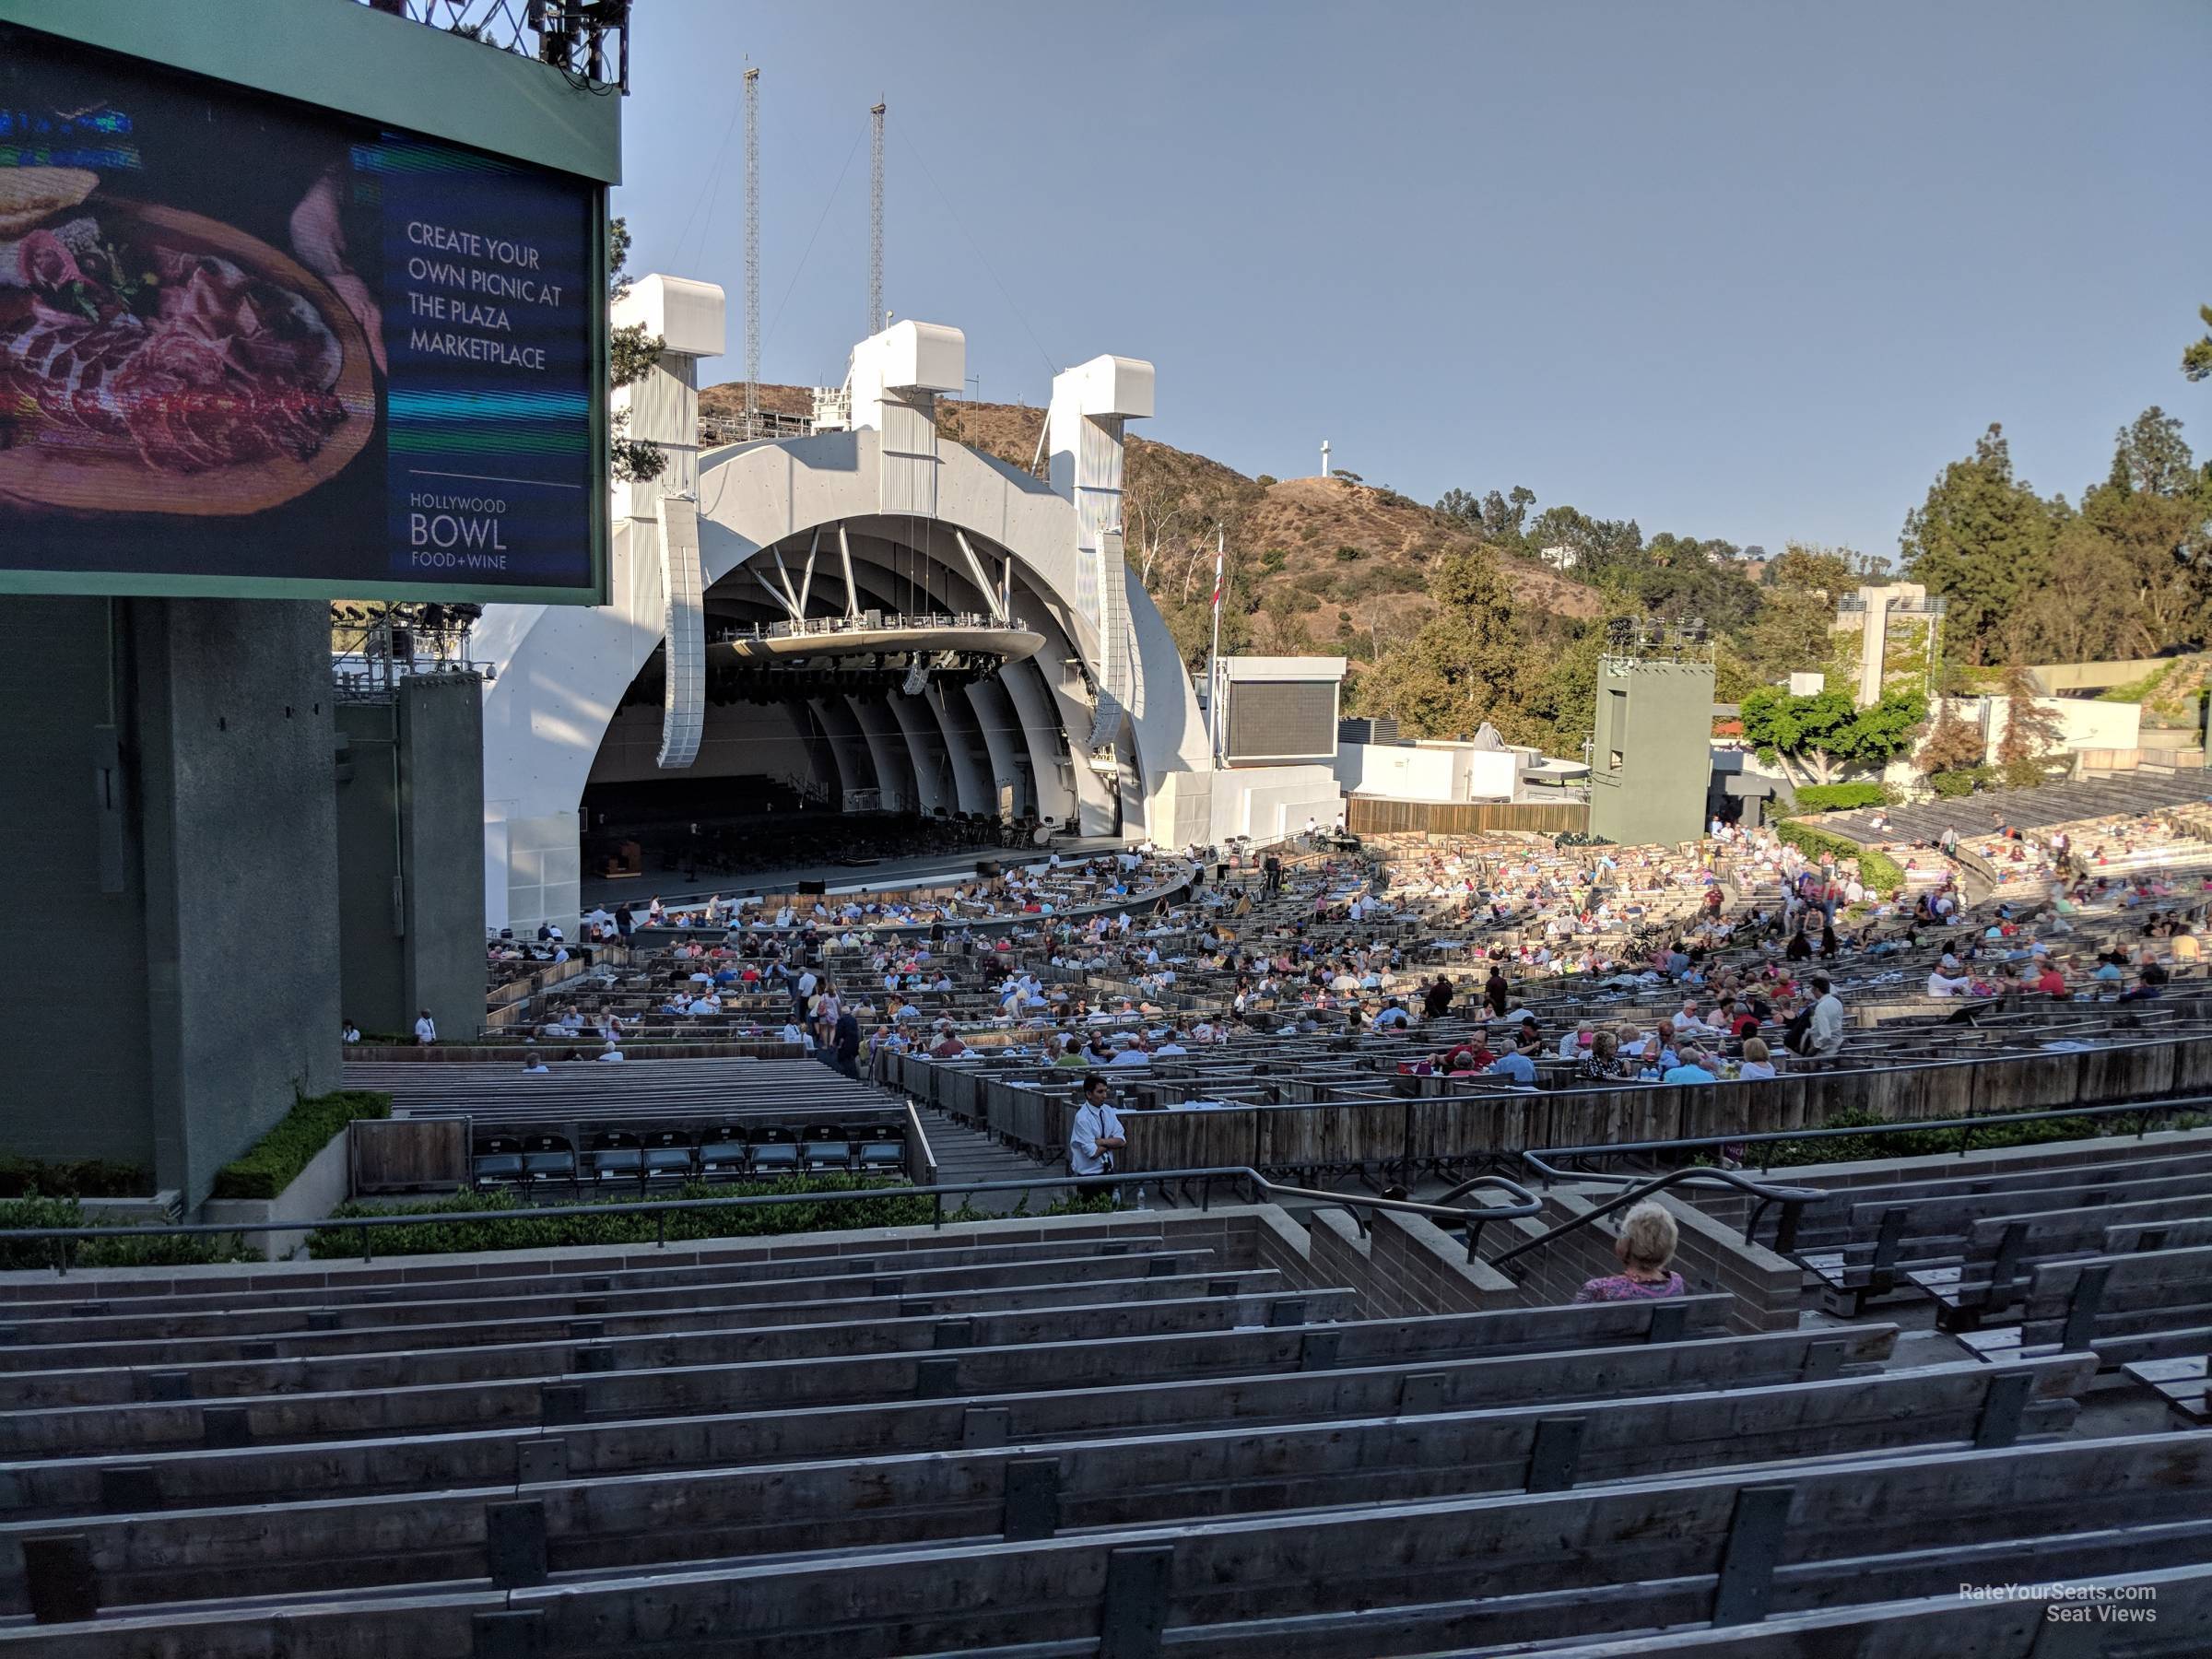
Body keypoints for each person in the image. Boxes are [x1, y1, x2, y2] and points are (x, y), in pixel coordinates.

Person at [1572, 1201, 1686, 1302]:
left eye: (1621, 1231)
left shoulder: (1598, 1289)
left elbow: (1567, 1325)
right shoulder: (1676, 1283)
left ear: (1627, 1242)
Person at [1068, 1075, 1126, 1201]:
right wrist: (1111, 1142)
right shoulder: (1082, 1118)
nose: (1104, 1096)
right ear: (1089, 1094)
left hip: (1108, 1172)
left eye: (1106, 1091)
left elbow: (1121, 1141)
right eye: (1100, 1092)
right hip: (1089, 1176)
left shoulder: (1108, 1111)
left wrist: (1100, 1142)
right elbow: (1093, 1153)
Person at [1806, 974, 1846, 1058]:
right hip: (1838, 1044)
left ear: (1817, 989)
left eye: (1812, 989)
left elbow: (1825, 1035)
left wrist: (1814, 1048)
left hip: (1826, 1051)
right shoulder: (1837, 1002)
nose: (1811, 992)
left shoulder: (1821, 1007)